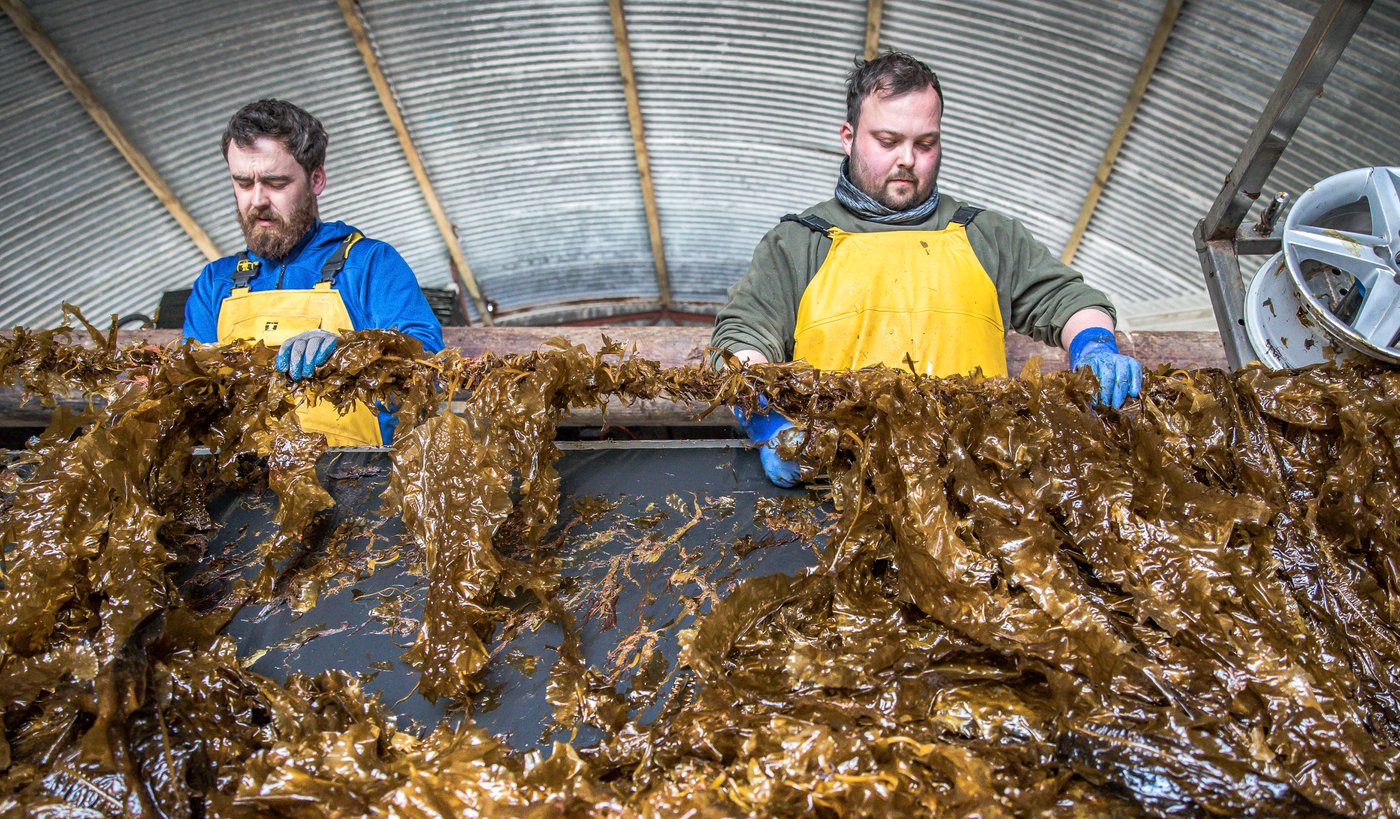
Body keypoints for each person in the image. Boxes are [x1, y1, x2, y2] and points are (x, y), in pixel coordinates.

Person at [711, 51, 1142, 487]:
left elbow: (1068, 299)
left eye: (925, 143)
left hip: (977, 491)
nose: (907, 160)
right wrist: (768, 425)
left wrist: (1095, 346)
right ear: (848, 137)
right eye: (887, 141)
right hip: (836, 493)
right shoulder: (799, 240)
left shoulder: (987, 234)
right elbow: (742, 340)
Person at [183, 99, 444, 446]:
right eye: (244, 183)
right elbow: (188, 391)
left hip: (356, 482)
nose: (257, 200)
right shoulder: (215, 283)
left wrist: (351, 349)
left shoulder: (368, 264)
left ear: (316, 179)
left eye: (276, 183)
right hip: (237, 485)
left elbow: (427, 361)